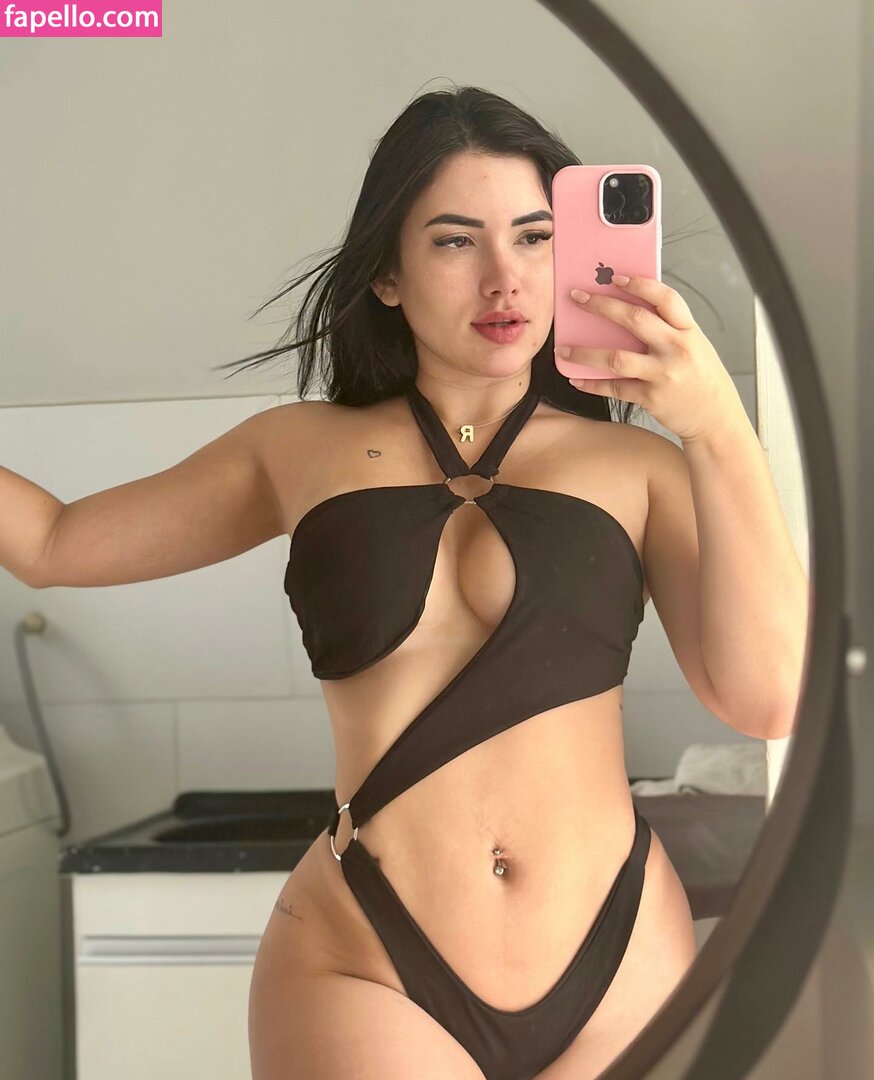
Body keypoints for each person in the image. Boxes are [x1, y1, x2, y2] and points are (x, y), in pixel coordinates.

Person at [235, 85, 699, 1080]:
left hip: (619, 954)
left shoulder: (644, 467)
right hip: (371, 958)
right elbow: (52, 542)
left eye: (534, 238)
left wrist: (715, 420)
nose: (504, 279)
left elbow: (770, 694)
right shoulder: (295, 448)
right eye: (455, 241)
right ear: (387, 275)